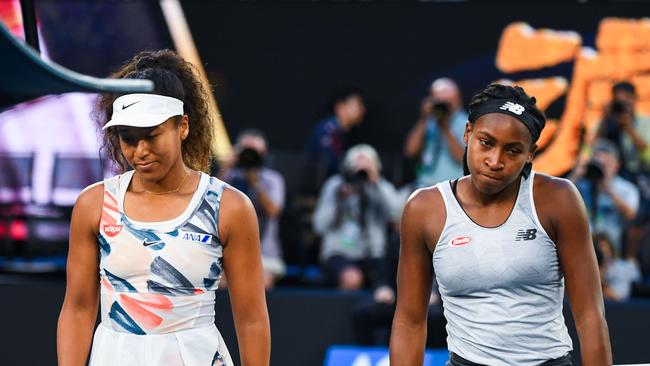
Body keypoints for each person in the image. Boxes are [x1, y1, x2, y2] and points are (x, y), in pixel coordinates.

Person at [57, 50, 270, 366]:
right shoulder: (94, 204)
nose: (140, 151)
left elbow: (251, 318)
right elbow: (77, 307)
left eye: (151, 136)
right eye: (127, 138)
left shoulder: (229, 207)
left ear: (183, 126)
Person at [390, 83, 611, 365]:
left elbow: (590, 315)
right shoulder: (423, 208)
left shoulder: (559, 199)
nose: (495, 161)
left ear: (531, 153)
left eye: (513, 150)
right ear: (468, 133)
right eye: (486, 142)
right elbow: (409, 321)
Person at [312, 144, 400, 290]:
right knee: (352, 279)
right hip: (338, 253)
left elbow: (395, 214)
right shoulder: (335, 185)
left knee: (388, 285)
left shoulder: (381, 187)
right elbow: (318, 226)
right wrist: (338, 200)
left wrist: (376, 182)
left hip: (373, 254)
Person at [223, 129, 286, 288]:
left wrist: (256, 183)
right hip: (228, 250)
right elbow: (209, 200)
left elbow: (274, 211)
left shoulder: (273, 179)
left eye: (254, 153)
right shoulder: (230, 177)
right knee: (219, 283)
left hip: (264, 252)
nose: (250, 157)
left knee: (261, 283)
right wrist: (227, 167)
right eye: (246, 152)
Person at [569, 138, 640, 253]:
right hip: (583, 247)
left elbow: (631, 214)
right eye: (598, 163)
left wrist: (609, 190)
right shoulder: (583, 184)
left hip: (611, 249)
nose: (602, 167)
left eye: (606, 163)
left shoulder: (626, 188)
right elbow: (559, 199)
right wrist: (577, 174)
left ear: (616, 166)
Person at [404, 78, 467, 188]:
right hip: (425, 185)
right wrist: (423, 119)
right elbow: (410, 151)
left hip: (452, 187)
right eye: (439, 101)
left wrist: (445, 128)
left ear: (458, 100)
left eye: (447, 102)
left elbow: (462, 159)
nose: (443, 106)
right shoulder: (429, 121)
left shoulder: (466, 122)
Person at [305, 87, 366, 177]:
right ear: (340, 107)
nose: (362, 110)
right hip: (317, 185)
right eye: (358, 105)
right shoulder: (327, 130)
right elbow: (328, 166)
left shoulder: (349, 133)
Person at [598, 81, 650, 177]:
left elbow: (648, 157)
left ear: (634, 99)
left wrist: (628, 127)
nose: (624, 106)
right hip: (608, 176)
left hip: (640, 175)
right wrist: (605, 119)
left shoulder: (646, 123)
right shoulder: (605, 122)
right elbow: (590, 149)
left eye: (627, 101)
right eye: (619, 102)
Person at [593, 232, 641, 302]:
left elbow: (620, 297)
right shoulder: (593, 272)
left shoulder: (624, 267)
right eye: (601, 253)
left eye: (606, 252)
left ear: (611, 250)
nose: (604, 256)